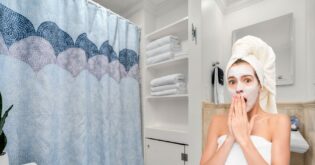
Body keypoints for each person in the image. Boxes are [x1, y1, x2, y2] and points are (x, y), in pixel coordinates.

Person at [200, 36, 291, 165]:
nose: (238, 88)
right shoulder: (217, 122)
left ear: (260, 85)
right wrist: (230, 138)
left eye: (247, 80)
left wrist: (244, 139)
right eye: (232, 81)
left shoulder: (279, 122)